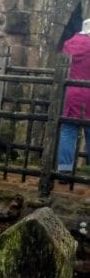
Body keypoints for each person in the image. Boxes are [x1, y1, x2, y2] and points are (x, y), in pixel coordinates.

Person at [57, 18, 90, 174]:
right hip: (88, 93)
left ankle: (64, 171)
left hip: (71, 93)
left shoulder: (69, 44)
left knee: (68, 132)